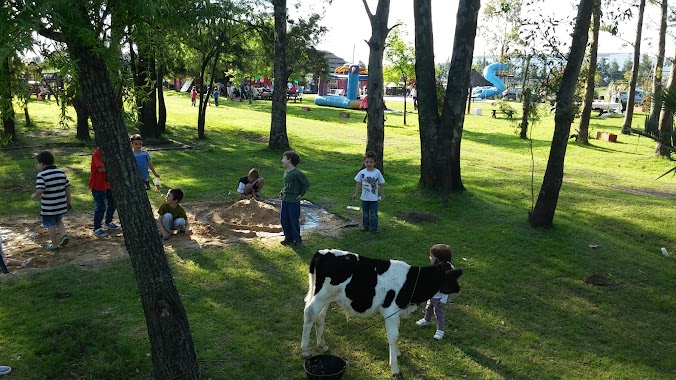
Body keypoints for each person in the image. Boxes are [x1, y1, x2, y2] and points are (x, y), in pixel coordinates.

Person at [31, 150, 72, 250]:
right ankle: (64, 235)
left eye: (38, 164)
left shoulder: (42, 175)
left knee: (50, 224)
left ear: (42, 164)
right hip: (61, 204)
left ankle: (54, 244)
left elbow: (40, 189)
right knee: (59, 220)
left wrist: (35, 195)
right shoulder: (61, 172)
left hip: (49, 207)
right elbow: (67, 188)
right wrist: (69, 201)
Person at [415, 243, 455, 340]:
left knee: (439, 314)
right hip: (431, 295)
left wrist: (443, 300)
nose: (429, 257)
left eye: (431, 256)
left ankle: (440, 330)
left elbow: (448, 287)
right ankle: (426, 319)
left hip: (439, 298)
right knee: (428, 307)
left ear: (437, 259)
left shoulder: (448, 271)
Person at [279, 151, 310, 245]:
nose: (282, 160)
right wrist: (282, 191)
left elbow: (306, 183)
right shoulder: (286, 173)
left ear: (289, 160)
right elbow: (286, 185)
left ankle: (297, 238)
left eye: (284, 158)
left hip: (293, 201)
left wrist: (301, 194)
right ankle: (288, 237)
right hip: (285, 199)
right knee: (284, 219)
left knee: (293, 219)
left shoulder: (297, 173)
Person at [89, 147, 120, 238]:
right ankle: (97, 228)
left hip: (108, 184)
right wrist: (114, 165)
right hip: (98, 185)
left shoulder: (109, 151)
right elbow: (101, 169)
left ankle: (108, 222)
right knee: (101, 206)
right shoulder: (97, 153)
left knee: (112, 203)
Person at [352, 151, 385, 233]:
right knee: (365, 214)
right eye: (367, 162)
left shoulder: (377, 172)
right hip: (364, 198)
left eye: (371, 162)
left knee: (373, 214)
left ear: (374, 163)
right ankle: (365, 226)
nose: (368, 164)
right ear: (364, 162)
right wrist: (356, 193)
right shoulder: (362, 172)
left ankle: (374, 228)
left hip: (374, 199)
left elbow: (381, 183)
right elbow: (358, 183)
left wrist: (382, 193)